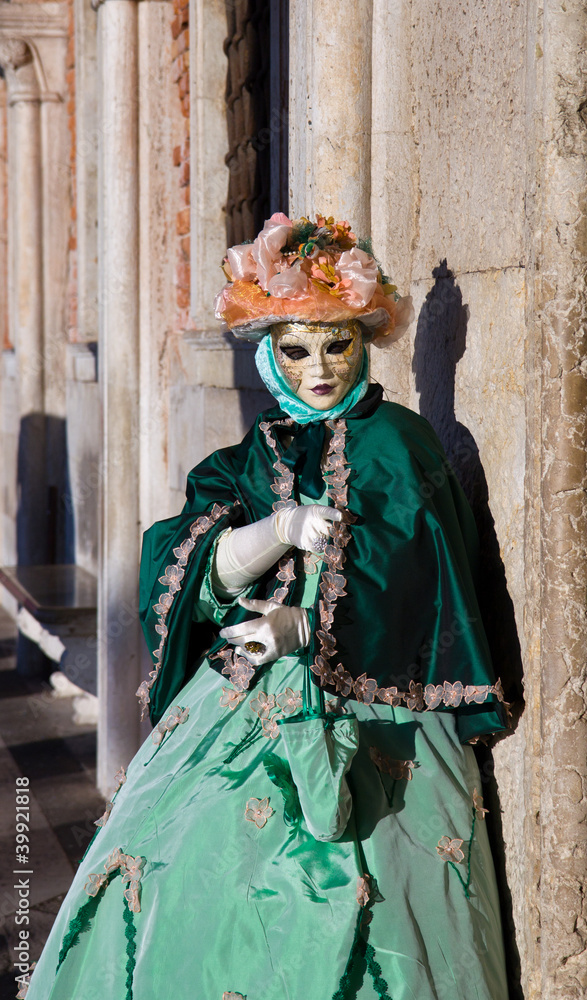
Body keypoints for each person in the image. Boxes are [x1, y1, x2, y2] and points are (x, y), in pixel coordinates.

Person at [22, 213, 510, 1000]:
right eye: (295, 349)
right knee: (189, 863)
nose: (318, 369)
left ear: (364, 340)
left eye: (337, 344)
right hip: (242, 699)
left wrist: (308, 627)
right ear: (266, 353)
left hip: (373, 704)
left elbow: (428, 579)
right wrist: (278, 529)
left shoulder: (401, 443)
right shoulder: (255, 453)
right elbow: (190, 564)